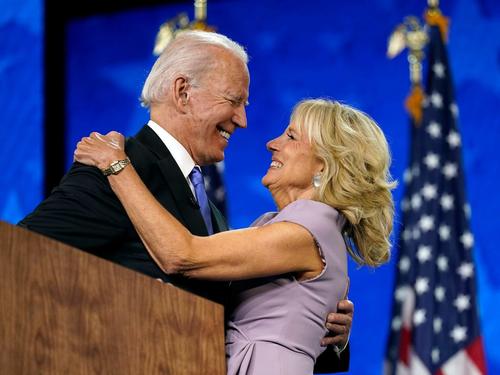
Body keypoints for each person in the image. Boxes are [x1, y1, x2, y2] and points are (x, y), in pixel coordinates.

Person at [18, 31, 352, 372]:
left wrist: (321, 323)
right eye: (234, 100)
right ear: (183, 93)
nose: (243, 120)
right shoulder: (119, 169)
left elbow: (240, 328)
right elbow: (22, 257)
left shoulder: (212, 213)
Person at [73, 98, 395, 375]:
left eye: (292, 136)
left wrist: (116, 165)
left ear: (323, 166)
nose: (272, 142)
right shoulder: (284, 225)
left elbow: (182, 255)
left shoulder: (311, 226)